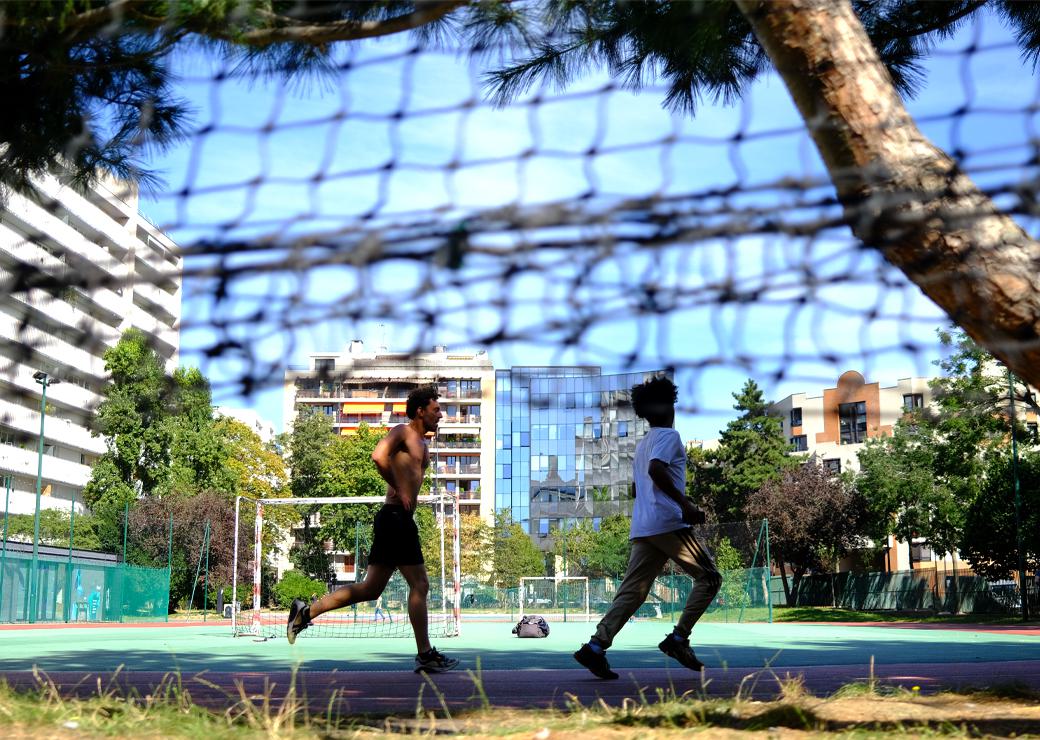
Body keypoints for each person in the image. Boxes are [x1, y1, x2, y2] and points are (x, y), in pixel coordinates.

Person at [287, 385, 459, 673]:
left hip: (397, 520)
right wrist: (399, 488)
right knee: (420, 585)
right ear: (420, 411)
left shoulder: (424, 448)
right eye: (436, 409)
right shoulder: (402, 432)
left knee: (370, 589)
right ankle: (425, 653)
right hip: (395, 518)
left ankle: (305, 612)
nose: (440, 415)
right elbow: (378, 456)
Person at [574, 375, 721, 680]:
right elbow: (656, 471)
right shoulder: (669, 435)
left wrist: (657, 503)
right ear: (669, 403)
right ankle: (678, 639)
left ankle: (596, 646)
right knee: (709, 578)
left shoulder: (643, 444)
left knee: (632, 592)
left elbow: (635, 488)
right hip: (667, 523)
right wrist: (685, 505)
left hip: (644, 526)